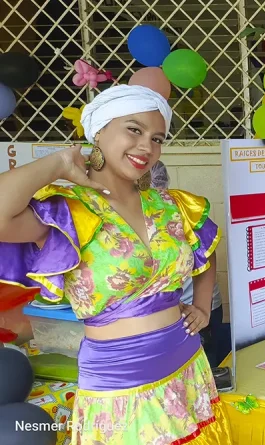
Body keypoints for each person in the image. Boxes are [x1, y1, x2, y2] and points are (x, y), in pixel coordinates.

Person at [0, 85, 232, 443]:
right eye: (134, 130)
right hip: (118, 378)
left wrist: (202, 305)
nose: (147, 147)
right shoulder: (68, 210)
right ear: (99, 130)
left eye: (157, 139)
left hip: (185, 360)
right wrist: (59, 163)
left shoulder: (170, 204)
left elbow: (205, 247)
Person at [151, 160, 232, 367]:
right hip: (152, 317)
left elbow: (207, 251)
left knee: (204, 370)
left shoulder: (177, 208)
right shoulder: (112, 215)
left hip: (192, 309)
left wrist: (201, 308)